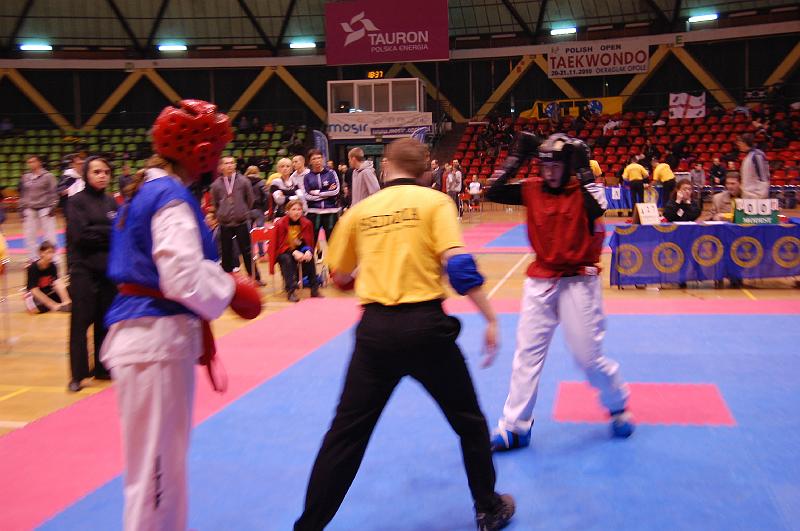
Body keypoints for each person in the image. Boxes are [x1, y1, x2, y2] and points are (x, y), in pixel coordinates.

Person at [294, 138, 514, 531]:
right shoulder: (436, 203)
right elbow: (458, 266)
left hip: (375, 332)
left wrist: (373, 267)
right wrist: (490, 317)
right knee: (469, 422)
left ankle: (308, 526)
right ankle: (488, 508)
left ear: (385, 166)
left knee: (346, 435)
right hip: (426, 329)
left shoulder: (360, 211)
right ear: (425, 170)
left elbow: (339, 275)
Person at [101, 100, 261, 531]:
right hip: (154, 341)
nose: (218, 159)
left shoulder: (144, 191)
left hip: (147, 337)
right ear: (201, 152)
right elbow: (181, 275)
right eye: (216, 150)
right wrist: (230, 289)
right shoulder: (169, 197)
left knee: (157, 472)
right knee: (157, 477)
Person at [486, 132, 634, 452]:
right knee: (526, 355)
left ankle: (617, 403)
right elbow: (492, 191)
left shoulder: (585, 192)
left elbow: (597, 208)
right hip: (540, 280)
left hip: (578, 282)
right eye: (544, 166)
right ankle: (515, 426)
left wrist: (583, 170)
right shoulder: (532, 189)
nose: (549, 172)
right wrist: (515, 159)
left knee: (587, 358)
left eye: (556, 166)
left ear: (568, 166)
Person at [65, 156, 120, 392]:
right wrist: (107, 232)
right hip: (83, 270)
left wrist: (99, 231)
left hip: (107, 270)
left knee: (104, 321)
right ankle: (78, 375)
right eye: (97, 172)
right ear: (86, 174)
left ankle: (102, 367)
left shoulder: (111, 202)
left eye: (106, 172)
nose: (102, 176)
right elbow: (81, 236)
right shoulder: (75, 202)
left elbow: (120, 232)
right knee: (80, 322)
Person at [210, 156, 256, 277]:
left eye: (231, 163)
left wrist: (243, 210)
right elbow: (215, 203)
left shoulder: (244, 181)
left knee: (247, 251)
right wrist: (222, 212)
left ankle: (255, 276)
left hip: (241, 221)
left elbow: (250, 199)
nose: (229, 165)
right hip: (225, 223)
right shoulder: (216, 185)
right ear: (221, 167)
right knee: (226, 252)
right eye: (226, 163)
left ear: (235, 165)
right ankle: (227, 278)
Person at [271, 200, 320, 302]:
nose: (297, 212)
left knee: (310, 258)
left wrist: (307, 251)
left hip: (299, 249)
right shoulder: (280, 224)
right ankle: (291, 291)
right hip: (283, 251)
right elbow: (279, 246)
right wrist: (293, 252)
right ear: (287, 211)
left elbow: (307, 242)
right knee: (287, 259)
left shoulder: (307, 223)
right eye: (293, 209)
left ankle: (314, 289)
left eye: (299, 209)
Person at [19, 155, 58, 262]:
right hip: (30, 208)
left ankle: (52, 258)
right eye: (29, 162)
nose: (31, 164)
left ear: (39, 162)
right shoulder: (25, 177)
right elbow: (23, 194)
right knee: (29, 235)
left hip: (45, 208)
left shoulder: (48, 176)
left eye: (33, 161)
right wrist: (21, 207)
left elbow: (54, 193)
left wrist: (53, 206)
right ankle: (32, 257)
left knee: (49, 235)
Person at [303, 149, 341, 242]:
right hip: (313, 213)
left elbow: (335, 191)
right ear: (310, 161)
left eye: (319, 158)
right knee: (310, 241)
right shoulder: (307, 177)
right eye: (314, 159)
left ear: (323, 159)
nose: (317, 161)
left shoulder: (331, 173)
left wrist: (318, 193)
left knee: (333, 242)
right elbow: (307, 195)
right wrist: (327, 192)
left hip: (330, 211)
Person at [24, 240, 71, 314]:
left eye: (53, 252)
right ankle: (54, 305)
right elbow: (34, 290)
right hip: (34, 296)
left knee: (70, 289)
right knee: (36, 309)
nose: (51, 255)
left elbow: (57, 283)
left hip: (47, 293)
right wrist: (53, 305)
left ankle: (64, 303)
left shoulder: (53, 266)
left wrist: (66, 301)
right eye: (48, 252)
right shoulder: (33, 267)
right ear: (41, 253)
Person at [245, 165, 269, 261]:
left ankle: (250, 254)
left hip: (247, 211)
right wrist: (265, 208)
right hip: (258, 210)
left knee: (248, 233)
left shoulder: (243, 182)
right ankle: (261, 253)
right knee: (260, 232)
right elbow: (267, 195)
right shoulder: (261, 182)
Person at [737, 133, 770, 199]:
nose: (738, 144)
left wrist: (761, 195)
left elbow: (763, 177)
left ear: (744, 143)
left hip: (756, 195)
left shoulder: (757, 155)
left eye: (739, 142)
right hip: (748, 194)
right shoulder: (748, 156)